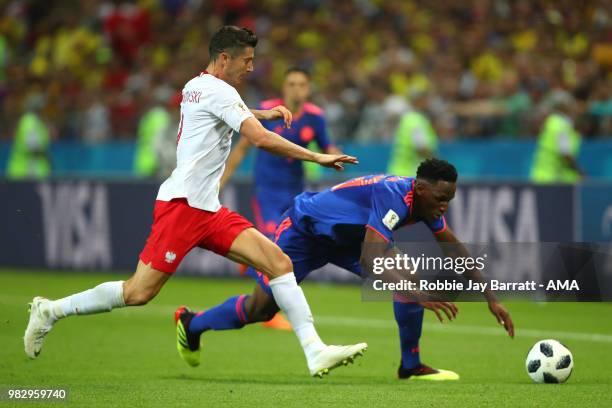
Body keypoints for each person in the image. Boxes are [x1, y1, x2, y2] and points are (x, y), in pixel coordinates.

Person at [24, 26, 366, 378]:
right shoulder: (219, 91)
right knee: (139, 292)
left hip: (209, 210)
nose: (251, 68)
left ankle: (315, 351)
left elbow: (228, 111)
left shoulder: (196, 85)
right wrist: (317, 158)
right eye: (246, 61)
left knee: (278, 262)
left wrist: (262, 112)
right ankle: (50, 311)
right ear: (224, 59)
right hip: (182, 208)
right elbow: (259, 140)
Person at [179, 159, 515, 380]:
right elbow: (372, 259)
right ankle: (192, 324)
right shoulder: (394, 195)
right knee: (261, 309)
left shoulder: (427, 203)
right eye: (442, 198)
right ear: (422, 188)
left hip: (347, 241)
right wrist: (418, 293)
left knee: (408, 276)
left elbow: (451, 245)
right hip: (303, 232)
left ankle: (410, 365)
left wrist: (490, 297)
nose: (445, 206)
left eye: (450, 200)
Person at [221, 67, 340, 330]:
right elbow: (241, 149)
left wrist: (336, 154)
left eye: (301, 84)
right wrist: (221, 181)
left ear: (307, 89)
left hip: (296, 195)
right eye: (291, 84)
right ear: (284, 87)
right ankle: (269, 309)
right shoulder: (267, 111)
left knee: (283, 248)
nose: (296, 89)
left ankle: (249, 262)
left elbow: (325, 148)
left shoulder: (315, 118)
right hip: (267, 193)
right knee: (276, 246)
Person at [530, 97, 584, 183]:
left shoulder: (551, 122)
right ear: (567, 110)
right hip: (552, 178)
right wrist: (579, 171)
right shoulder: (561, 126)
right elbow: (565, 153)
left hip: (540, 175)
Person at [387, 91, 438, 177]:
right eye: (425, 100)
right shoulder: (416, 121)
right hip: (409, 175)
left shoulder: (407, 118)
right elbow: (421, 148)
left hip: (397, 172)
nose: (428, 103)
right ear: (418, 101)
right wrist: (437, 164)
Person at [6, 95, 51, 180]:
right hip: (24, 172)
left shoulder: (36, 121)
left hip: (31, 172)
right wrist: (45, 155)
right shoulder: (29, 121)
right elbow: (32, 146)